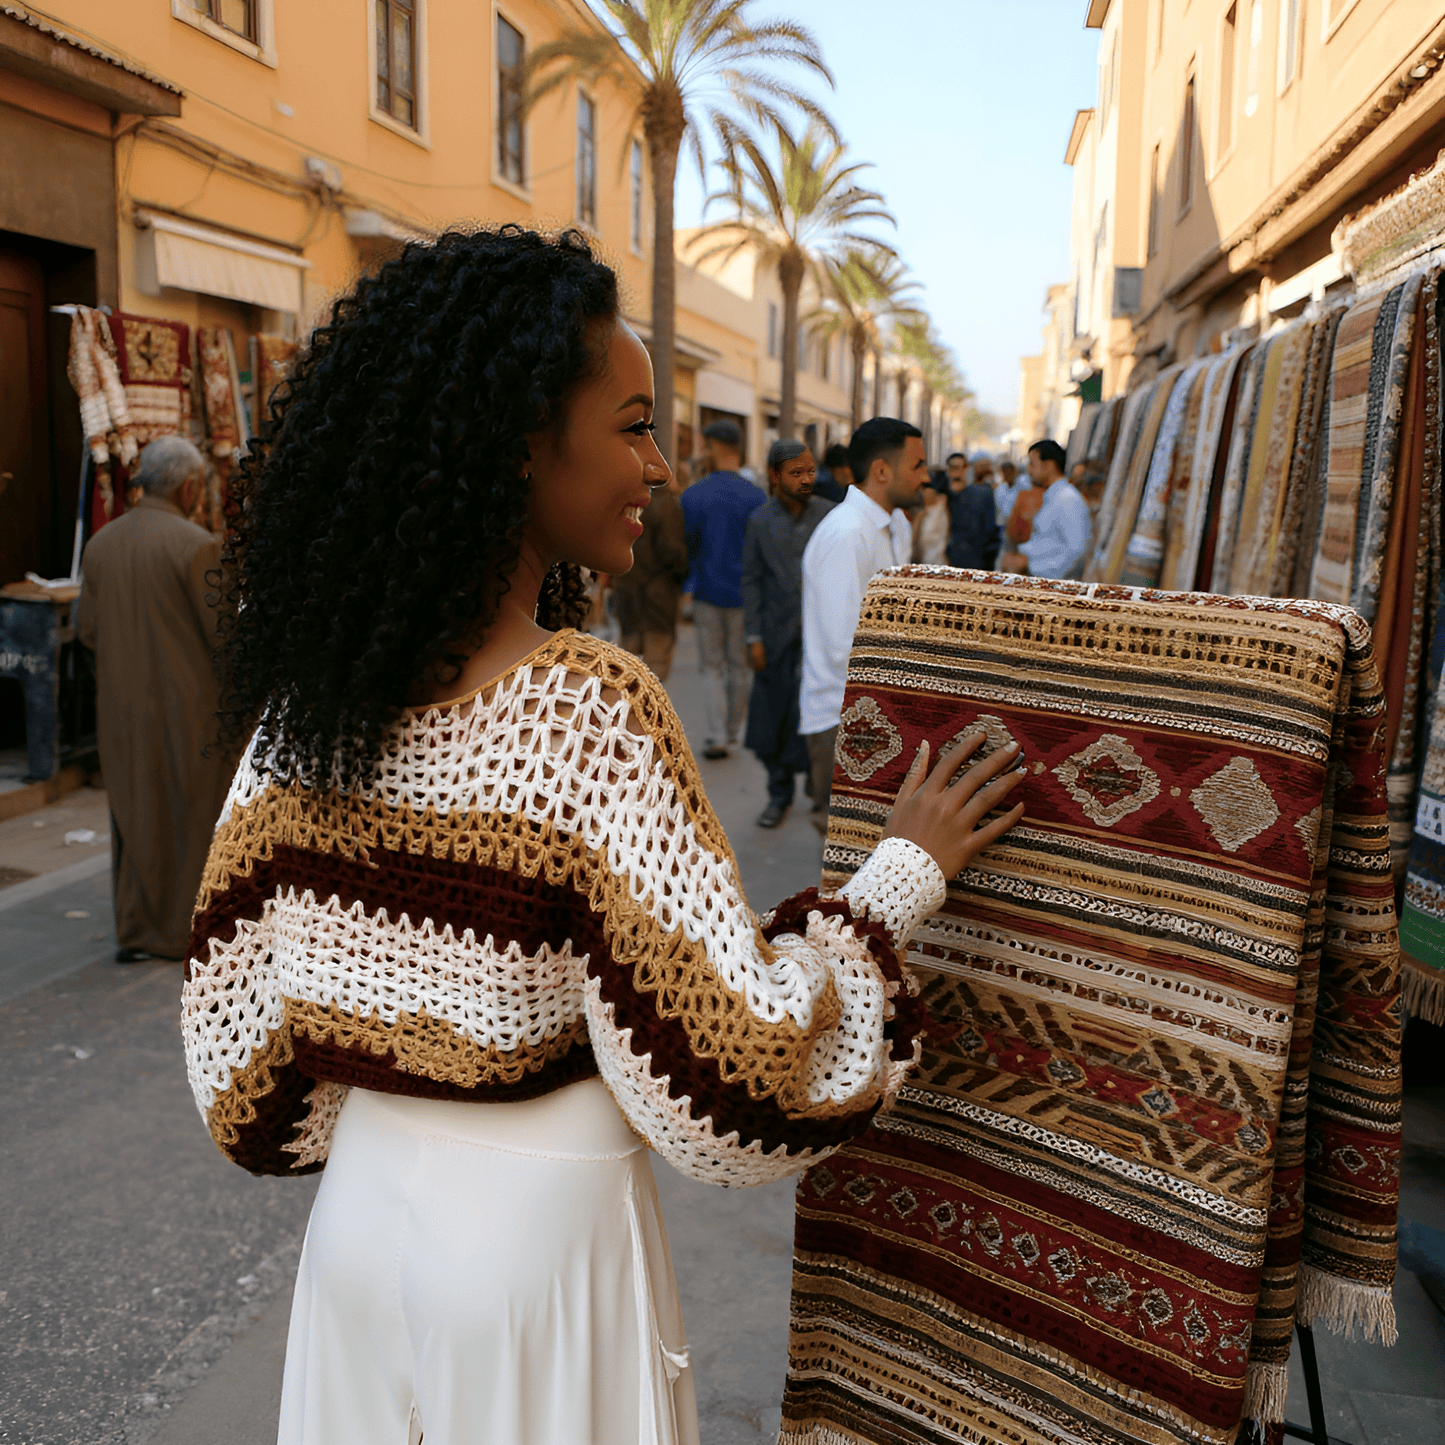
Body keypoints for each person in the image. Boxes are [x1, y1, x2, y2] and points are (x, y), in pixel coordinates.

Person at [179, 226, 1025, 1445]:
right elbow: (737, 1068)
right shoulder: (587, 703)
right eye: (633, 424)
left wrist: (395, 1089)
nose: (664, 463)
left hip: (357, 1235)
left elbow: (239, 1068)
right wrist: (897, 881)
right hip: (537, 1253)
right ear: (523, 443)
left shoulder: (312, 710)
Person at [74, 434, 233, 963]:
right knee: (191, 818)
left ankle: (138, 932)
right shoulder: (196, 545)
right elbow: (226, 638)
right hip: (192, 712)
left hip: (120, 710)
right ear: (189, 487)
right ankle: (187, 933)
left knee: (136, 815)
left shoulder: (100, 545)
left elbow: (88, 632)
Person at [800, 417, 928, 832]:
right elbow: (842, 646)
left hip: (880, 707)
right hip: (841, 715)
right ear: (882, 471)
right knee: (845, 851)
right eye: (918, 465)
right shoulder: (845, 533)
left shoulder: (897, 524)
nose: (926, 476)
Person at [741, 440, 835, 829]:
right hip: (776, 636)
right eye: (796, 472)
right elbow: (751, 579)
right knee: (774, 717)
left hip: (819, 639)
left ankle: (819, 795)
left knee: (815, 718)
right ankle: (778, 795)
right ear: (775, 476)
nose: (806, 479)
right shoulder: (760, 520)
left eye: (810, 471)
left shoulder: (829, 517)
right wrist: (753, 637)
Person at [680, 419, 764, 758]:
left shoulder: (695, 495)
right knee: (739, 667)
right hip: (744, 595)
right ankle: (734, 731)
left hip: (707, 591)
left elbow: (687, 545)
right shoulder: (756, 497)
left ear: (714, 448)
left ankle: (716, 735)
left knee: (711, 666)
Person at [610, 473, 688, 679]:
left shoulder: (621, 502)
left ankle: (627, 710)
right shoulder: (667, 505)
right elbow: (674, 552)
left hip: (627, 592)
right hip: (659, 596)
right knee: (656, 670)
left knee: (626, 670)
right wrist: (680, 580)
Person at [1000, 437, 1092, 580]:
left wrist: (1031, 566)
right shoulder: (1052, 495)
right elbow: (1048, 542)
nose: (1029, 470)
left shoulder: (1068, 499)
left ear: (1049, 466)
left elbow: (1076, 552)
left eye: (1032, 464)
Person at [944, 450, 999, 571]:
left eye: (960, 467)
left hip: (975, 562)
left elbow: (990, 530)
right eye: (953, 467)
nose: (956, 472)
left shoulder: (982, 494)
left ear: (967, 469)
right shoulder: (941, 496)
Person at [912, 471, 951, 564]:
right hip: (922, 563)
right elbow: (912, 540)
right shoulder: (920, 511)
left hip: (940, 563)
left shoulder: (944, 507)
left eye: (925, 488)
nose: (922, 491)